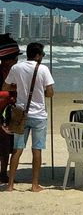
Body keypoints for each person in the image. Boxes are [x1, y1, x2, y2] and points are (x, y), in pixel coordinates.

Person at [3, 41, 54, 192]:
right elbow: (50, 93)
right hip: (38, 115)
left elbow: (5, 87)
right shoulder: (43, 69)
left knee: (17, 149)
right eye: (42, 54)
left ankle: (10, 185)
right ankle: (34, 185)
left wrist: (18, 88)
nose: (43, 57)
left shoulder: (16, 68)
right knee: (36, 149)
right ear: (37, 55)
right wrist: (41, 92)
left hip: (20, 114)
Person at [0, 33, 22, 183]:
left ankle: (3, 173)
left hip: (14, 111)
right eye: (14, 58)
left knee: (10, 144)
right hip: (2, 110)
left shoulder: (15, 72)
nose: (16, 60)